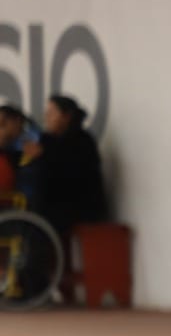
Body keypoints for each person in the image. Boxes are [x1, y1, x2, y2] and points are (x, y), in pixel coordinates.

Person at [23, 95, 109, 302]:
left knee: (38, 227)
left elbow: (73, 178)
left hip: (80, 205)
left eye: (52, 114)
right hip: (52, 203)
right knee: (28, 220)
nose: (47, 118)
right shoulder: (45, 140)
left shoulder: (82, 142)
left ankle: (34, 287)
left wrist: (43, 157)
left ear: (67, 116)